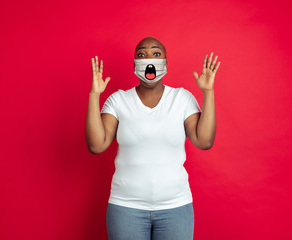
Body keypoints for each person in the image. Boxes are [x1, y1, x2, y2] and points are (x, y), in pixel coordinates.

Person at [85, 36, 220, 240]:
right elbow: (96, 145)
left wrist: (208, 92)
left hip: (176, 207)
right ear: (135, 64)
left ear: (165, 63)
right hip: (125, 207)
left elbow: (204, 141)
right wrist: (94, 95)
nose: (149, 58)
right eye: (142, 54)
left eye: (156, 54)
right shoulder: (118, 100)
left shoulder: (181, 99)